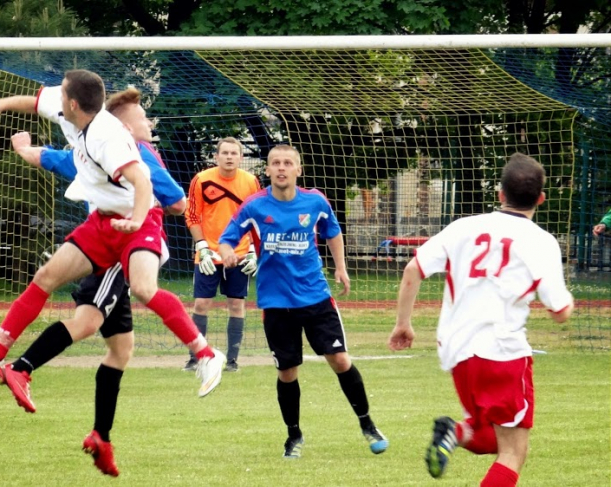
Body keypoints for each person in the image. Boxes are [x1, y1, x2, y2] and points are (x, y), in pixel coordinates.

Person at [0, 70, 226, 469]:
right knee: (70, 301)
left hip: (137, 223)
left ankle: (205, 354)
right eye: (142, 116)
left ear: (73, 104)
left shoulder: (109, 137)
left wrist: (136, 221)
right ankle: (3, 361)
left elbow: (145, 185)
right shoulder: (73, 113)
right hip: (103, 222)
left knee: (136, 292)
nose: (147, 124)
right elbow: (37, 105)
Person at [387, 152, 574, 486]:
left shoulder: (464, 227)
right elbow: (559, 312)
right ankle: (456, 433)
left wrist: (403, 323)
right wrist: (567, 303)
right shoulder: (541, 242)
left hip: (457, 351)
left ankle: (454, 432)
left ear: (501, 194)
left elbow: (413, 269)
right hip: (502, 351)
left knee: (488, 435)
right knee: (514, 451)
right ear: (541, 199)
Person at [218, 144, 388, 459]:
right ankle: (293, 435)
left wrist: (341, 267)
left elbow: (332, 231)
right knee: (287, 371)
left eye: (287, 163)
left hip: (315, 298)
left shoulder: (315, 201)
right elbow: (227, 239)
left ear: (298, 169)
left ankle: (368, 424)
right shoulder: (254, 206)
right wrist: (227, 252)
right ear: (267, 170)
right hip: (275, 303)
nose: (281, 168)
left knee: (340, 360)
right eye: (275, 163)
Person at [184, 137, 261, 372]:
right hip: (208, 253)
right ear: (216, 156)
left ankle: (232, 361)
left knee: (236, 305)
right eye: (225, 153)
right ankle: (196, 358)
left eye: (234, 153)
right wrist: (202, 247)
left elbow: (256, 218)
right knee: (201, 303)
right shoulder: (201, 179)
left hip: (239, 254)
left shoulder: (251, 182)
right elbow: (192, 216)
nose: (229, 157)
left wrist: (252, 251)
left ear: (241, 157)